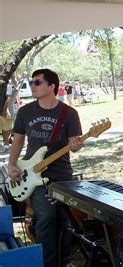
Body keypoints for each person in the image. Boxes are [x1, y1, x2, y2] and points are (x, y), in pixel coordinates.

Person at [7, 69, 83, 267]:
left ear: (52, 86)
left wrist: (76, 145)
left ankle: (64, 261)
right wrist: (12, 164)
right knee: (45, 219)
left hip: (62, 174)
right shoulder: (25, 112)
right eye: (32, 82)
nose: (32, 85)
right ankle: (47, 263)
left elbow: (73, 144)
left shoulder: (69, 113)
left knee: (65, 221)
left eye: (37, 82)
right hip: (32, 175)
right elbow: (17, 141)